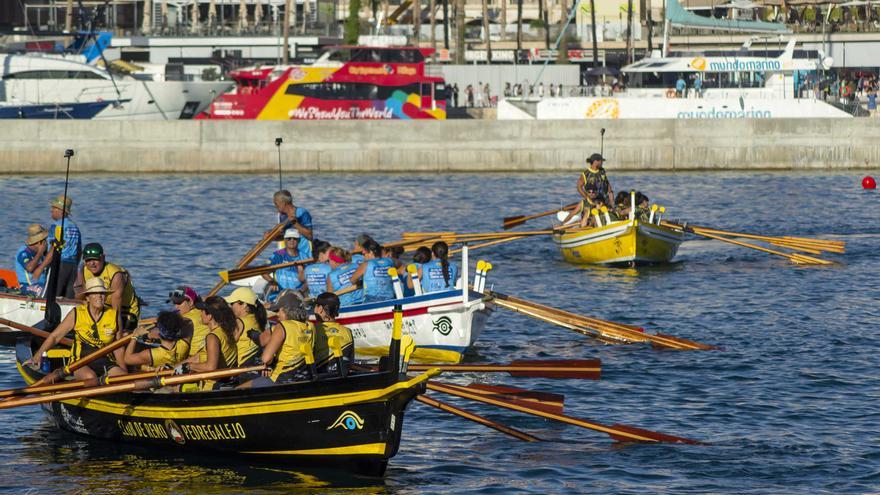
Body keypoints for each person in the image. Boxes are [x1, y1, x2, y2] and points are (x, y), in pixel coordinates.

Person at [27, 278, 126, 384]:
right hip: (79, 361)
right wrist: (37, 356)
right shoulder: (77, 314)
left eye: (102, 293)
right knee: (90, 377)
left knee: (121, 378)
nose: (99, 296)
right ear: (88, 297)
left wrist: (124, 370)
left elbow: (118, 346)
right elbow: (55, 337)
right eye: (95, 293)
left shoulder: (114, 315)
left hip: (105, 360)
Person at [246, 290, 315, 386]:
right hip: (304, 378)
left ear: (287, 310)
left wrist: (269, 363)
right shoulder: (311, 326)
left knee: (238, 389)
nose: (277, 314)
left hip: (281, 380)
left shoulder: (282, 327)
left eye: (279, 310)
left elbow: (265, 359)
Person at [74, 243, 140, 333]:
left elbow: (116, 311)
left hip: (124, 310)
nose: (91, 263)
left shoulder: (116, 275)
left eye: (95, 259)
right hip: (103, 306)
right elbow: (86, 299)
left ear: (103, 258)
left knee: (115, 332)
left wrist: (117, 333)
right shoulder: (83, 269)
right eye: (88, 260)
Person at [181, 296, 238, 390]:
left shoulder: (212, 337)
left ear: (210, 316)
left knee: (174, 388)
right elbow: (198, 356)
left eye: (202, 311)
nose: (200, 314)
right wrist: (174, 368)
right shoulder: (226, 330)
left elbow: (211, 367)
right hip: (226, 381)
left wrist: (188, 367)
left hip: (211, 387)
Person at [123, 311, 190, 371]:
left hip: (160, 374)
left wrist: (135, 336)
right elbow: (188, 321)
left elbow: (127, 359)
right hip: (174, 365)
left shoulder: (151, 355)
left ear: (158, 333)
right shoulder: (184, 343)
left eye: (157, 327)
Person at [45, 195, 82, 298]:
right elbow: (79, 250)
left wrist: (41, 267)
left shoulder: (56, 226)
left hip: (59, 264)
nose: (51, 210)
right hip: (72, 265)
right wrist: (75, 264)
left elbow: (53, 249)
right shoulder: (74, 227)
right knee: (67, 297)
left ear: (61, 211)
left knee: (51, 296)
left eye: (54, 208)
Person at [312, 292, 354, 376]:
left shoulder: (313, 330)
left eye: (315, 306)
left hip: (321, 379)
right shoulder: (348, 331)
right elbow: (351, 362)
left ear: (320, 309)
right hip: (343, 378)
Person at [224, 287, 266, 367]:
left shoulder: (239, 322)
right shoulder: (257, 317)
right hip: (253, 362)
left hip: (242, 366)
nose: (230, 306)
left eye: (232, 303)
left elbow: (227, 345)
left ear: (244, 304)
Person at [264, 228, 309, 297]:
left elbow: (310, 278)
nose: (292, 241)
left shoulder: (304, 257)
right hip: (279, 291)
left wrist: (301, 291)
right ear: (284, 240)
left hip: (296, 293)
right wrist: (272, 281)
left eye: (294, 238)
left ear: (299, 240)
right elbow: (264, 271)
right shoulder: (277, 255)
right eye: (289, 238)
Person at [167, 285, 208, 359]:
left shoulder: (185, 319)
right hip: (205, 355)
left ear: (191, 302)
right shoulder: (204, 311)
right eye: (174, 303)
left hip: (191, 358)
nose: (176, 306)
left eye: (179, 303)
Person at [350, 238, 395, 303]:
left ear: (371, 252)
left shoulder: (365, 264)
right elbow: (400, 265)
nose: (363, 254)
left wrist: (360, 282)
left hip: (372, 299)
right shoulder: (390, 261)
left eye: (364, 253)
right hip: (390, 298)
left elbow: (352, 280)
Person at [14, 224, 51, 295]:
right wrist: (40, 252)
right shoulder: (23, 252)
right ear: (40, 242)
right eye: (45, 241)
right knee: (45, 292)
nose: (46, 243)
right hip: (28, 286)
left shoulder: (42, 253)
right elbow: (29, 268)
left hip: (42, 284)